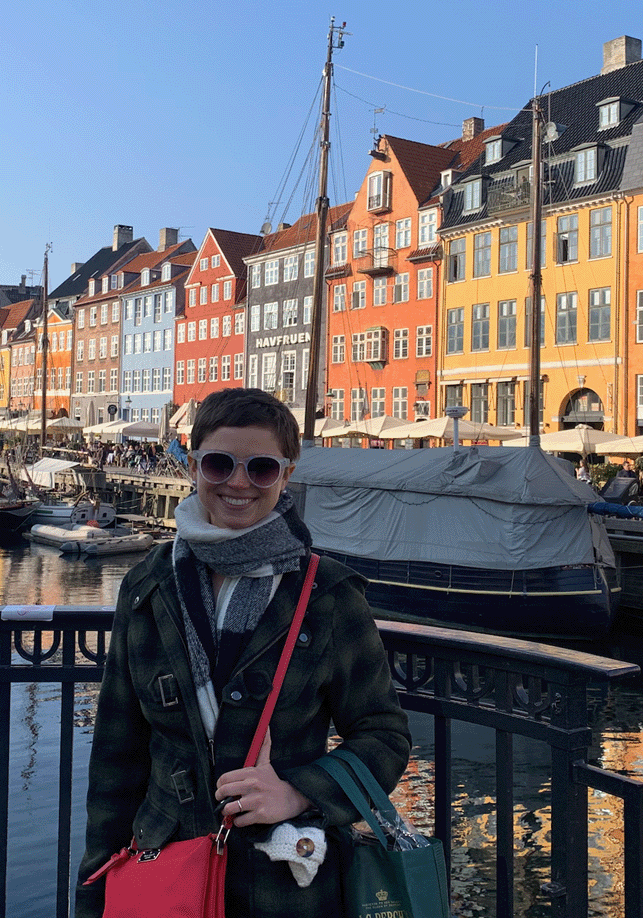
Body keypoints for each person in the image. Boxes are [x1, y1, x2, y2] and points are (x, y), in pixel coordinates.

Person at [76, 388, 412, 918]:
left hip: (286, 883)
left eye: (260, 468)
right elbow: (117, 761)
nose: (237, 482)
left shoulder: (325, 594)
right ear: (192, 464)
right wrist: (95, 891)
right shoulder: (148, 587)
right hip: (166, 870)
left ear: (286, 476)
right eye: (219, 463)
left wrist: (299, 793)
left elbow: (384, 735)